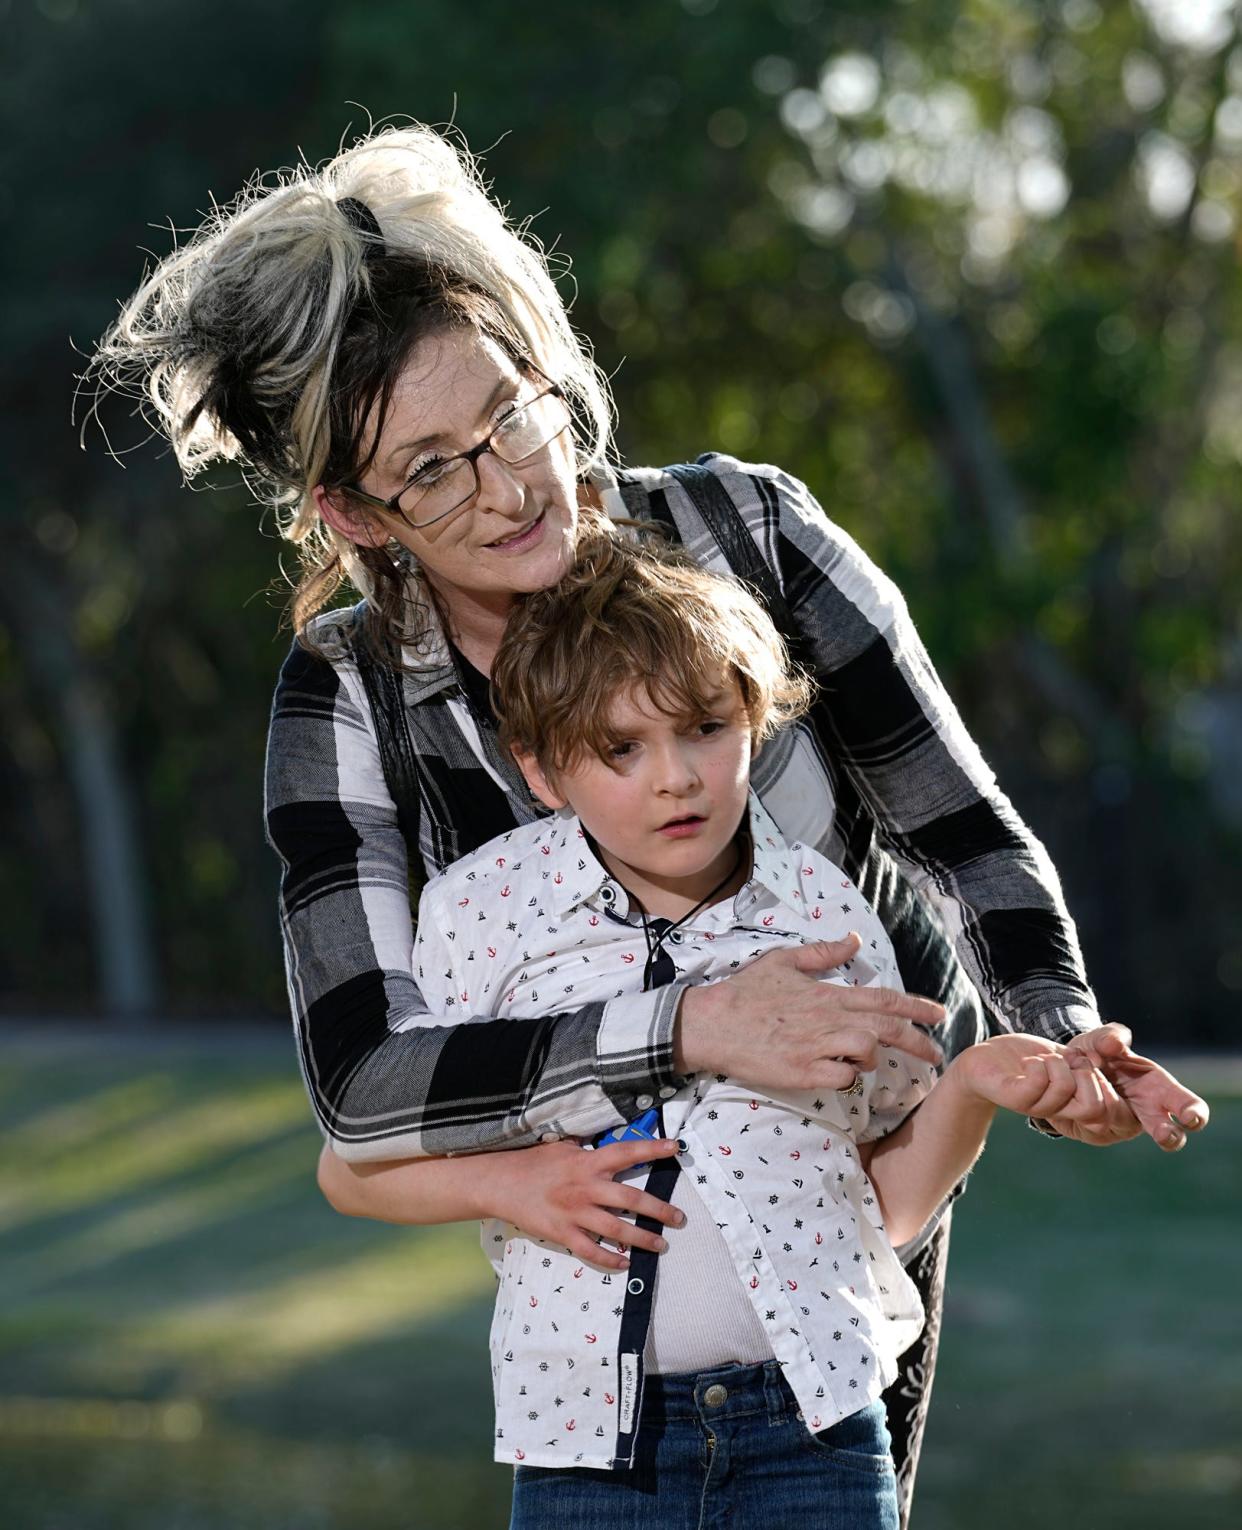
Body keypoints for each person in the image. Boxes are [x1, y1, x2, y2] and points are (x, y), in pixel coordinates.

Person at [87, 120, 1208, 1525]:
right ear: (351, 514)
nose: (508, 484)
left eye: (512, 413)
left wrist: (1055, 1028)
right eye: (431, 469)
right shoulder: (345, 697)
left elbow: (964, 836)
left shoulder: (754, 538)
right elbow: (363, 1079)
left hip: (842, 1217)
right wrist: (684, 1027)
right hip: (602, 1298)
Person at [319, 533, 1121, 1528]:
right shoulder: (486, 915)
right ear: (540, 767)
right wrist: (509, 1183)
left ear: (754, 718)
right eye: (620, 748)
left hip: (814, 1438)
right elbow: (351, 1167)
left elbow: (879, 1213)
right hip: (590, 1454)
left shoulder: (824, 918)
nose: (677, 779)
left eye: (704, 727)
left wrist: (970, 1088)